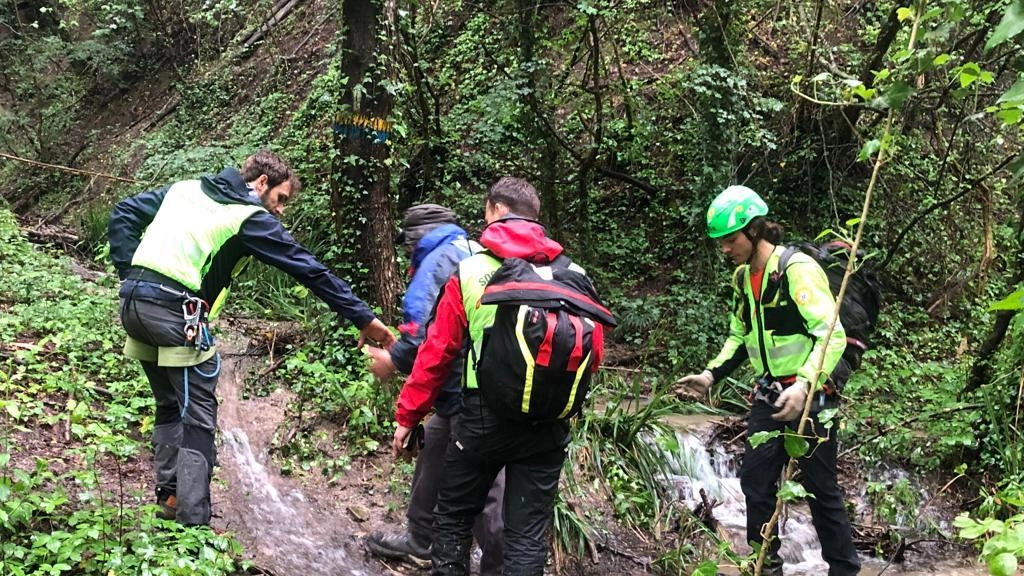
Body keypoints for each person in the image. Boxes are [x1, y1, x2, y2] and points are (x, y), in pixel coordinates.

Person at [107, 149, 395, 526]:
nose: (280, 210)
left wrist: (129, 273)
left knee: (168, 402)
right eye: (280, 199)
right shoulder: (248, 216)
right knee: (198, 416)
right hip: (173, 313)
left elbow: (124, 212)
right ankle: (192, 524)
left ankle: (171, 497)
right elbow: (308, 268)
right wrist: (363, 317)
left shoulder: (186, 189)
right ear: (262, 183)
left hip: (133, 305)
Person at [392, 177, 602, 576]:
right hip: (548, 427)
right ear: (537, 219)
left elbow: (435, 354)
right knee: (526, 536)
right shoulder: (575, 274)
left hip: (481, 422)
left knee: (452, 518)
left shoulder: (470, 271)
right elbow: (593, 354)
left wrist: (408, 417)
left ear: (494, 211)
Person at [676, 185, 861, 576]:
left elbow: (833, 333)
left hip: (812, 396)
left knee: (819, 488)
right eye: (720, 242)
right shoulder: (744, 279)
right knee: (755, 482)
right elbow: (739, 336)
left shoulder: (796, 270)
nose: (725, 249)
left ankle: (844, 570)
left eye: (730, 239)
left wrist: (805, 384)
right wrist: (711, 374)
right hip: (770, 395)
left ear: (755, 230)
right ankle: (764, 567)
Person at [364, 204, 505, 574]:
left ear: (417, 238)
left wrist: (391, 360)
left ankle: (501, 563)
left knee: (486, 483)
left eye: (408, 245)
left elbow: (425, 337)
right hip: (482, 381)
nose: (407, 253)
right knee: (435, 449)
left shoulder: (435, 263)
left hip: (467, 390)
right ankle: (421, 538)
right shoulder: (473, 250)